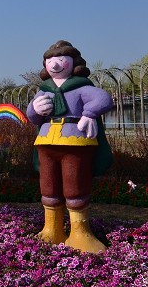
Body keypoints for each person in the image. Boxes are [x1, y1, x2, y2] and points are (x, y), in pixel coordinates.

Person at [25, 40, 114, 253]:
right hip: (47, 142)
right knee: (49, 186)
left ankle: (80, 233)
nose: (55, 65)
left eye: (60, 60)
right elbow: (31, 116)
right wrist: (35, 108)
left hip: (75, 142)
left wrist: (89, 114)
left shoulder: (80, 86)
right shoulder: (44, 89)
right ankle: (51, 228)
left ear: (73, 62)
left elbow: (103, 99)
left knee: (75, 185)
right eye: (50, 61)